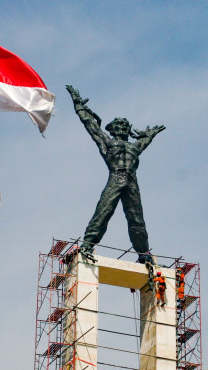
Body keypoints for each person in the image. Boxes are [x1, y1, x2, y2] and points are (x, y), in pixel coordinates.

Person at [66, 85, 164, 263]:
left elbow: (144, 141)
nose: (122, 127)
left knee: (137, 218)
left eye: (125, 125)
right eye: (118, 125)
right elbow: (90, 125)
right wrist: (78, 104)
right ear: (112, 129)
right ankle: (88, 244)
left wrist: (150, 134)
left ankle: (143, 254)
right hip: (116, 176)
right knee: (104, 211)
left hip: (132, 181)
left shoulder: (134, 147)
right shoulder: (107, 142)